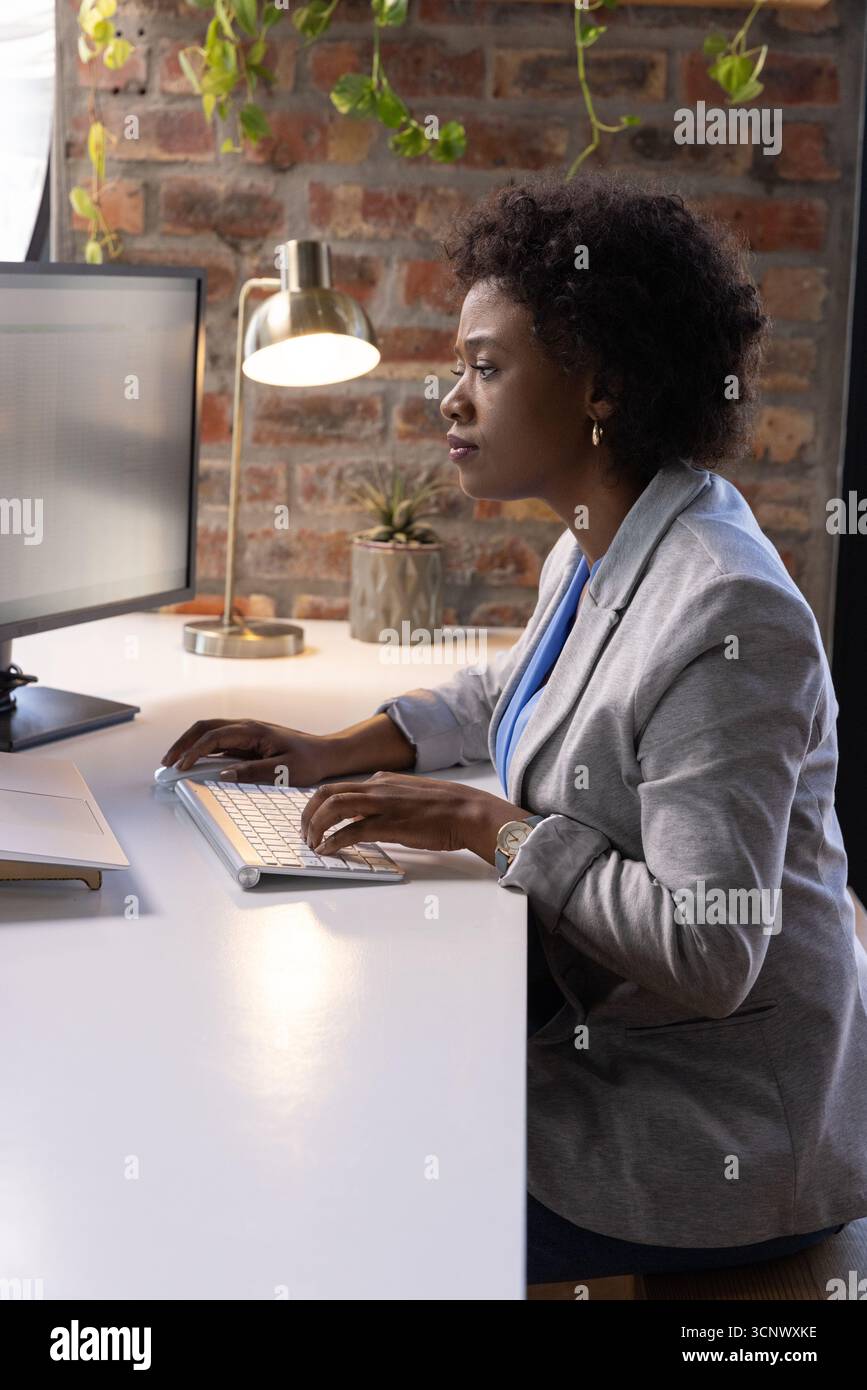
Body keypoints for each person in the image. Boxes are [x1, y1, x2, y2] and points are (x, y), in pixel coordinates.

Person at [163, 173, 867, 1285]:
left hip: (713, 1136)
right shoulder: (610, 533)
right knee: (307, 1076)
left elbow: (711, 944)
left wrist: (487, 826)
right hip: (607, 1054)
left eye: (487, 369)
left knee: (320, 1158)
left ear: (605, 386)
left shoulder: (726, 609)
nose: (451, 397)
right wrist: (343, 746)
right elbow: (518, 690)